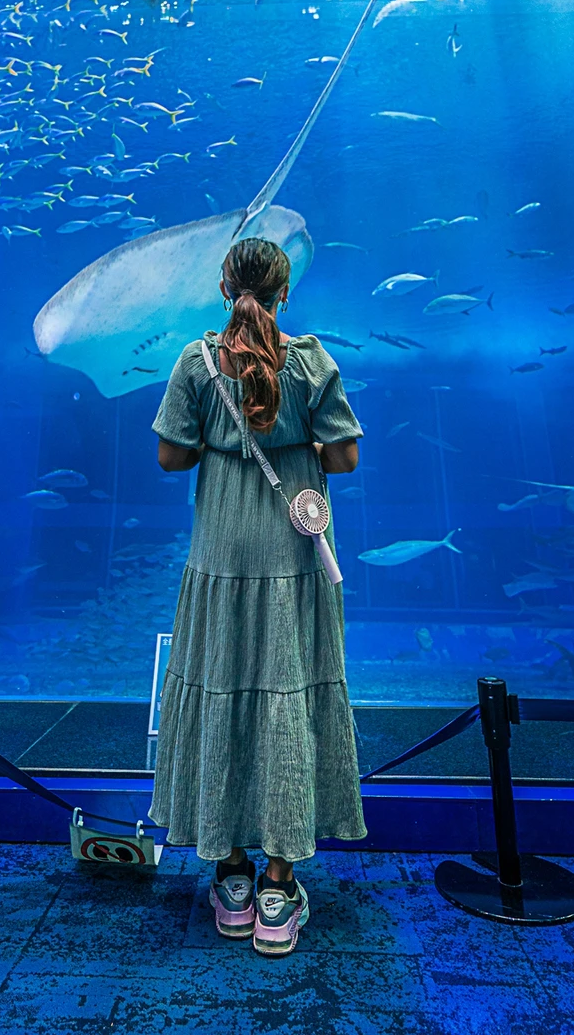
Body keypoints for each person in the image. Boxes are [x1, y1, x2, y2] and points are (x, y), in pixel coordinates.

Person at [149, 236, 366, 956]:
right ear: (283, 293)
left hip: (220, 553)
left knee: (222, 688)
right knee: (286, 696)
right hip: (291, 557)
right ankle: (278, 887)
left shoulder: (197, 361)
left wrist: (227, 439)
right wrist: (290, 434)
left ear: (222, 287)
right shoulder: (311, 360)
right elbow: (345, 457)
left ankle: (232, 876)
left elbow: (170, 455)